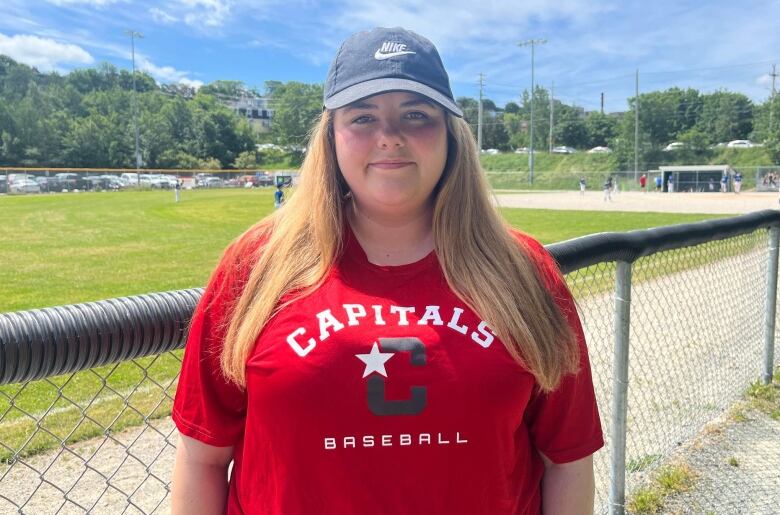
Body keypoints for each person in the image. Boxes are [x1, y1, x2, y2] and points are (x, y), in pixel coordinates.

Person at [171, 27, 603, 515]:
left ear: (450, 134)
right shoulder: (256, 266)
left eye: (416, 115)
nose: (390, 135)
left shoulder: (522, 270)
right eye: (363, 116)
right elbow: (202, 456)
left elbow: (566, 458)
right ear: (331, 136)